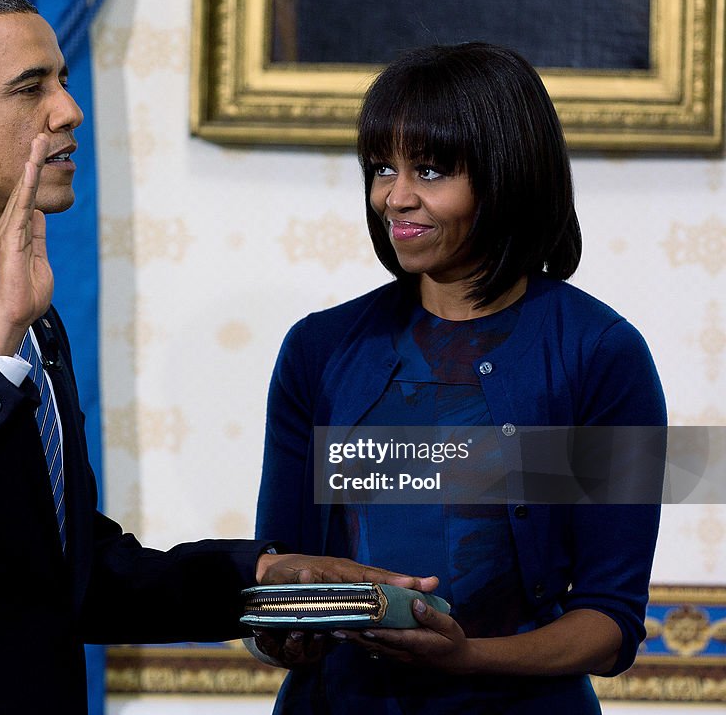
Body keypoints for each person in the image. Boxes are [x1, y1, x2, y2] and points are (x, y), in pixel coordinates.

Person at [0, 0, 429, 715]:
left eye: (64, 81)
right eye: (31, 88)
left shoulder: (22, 309)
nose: (68, 111)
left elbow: (71, 576)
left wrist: (263, 576)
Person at [254, 43, 665, 713]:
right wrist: (281, 630)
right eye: (382, 167)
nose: (396, 196)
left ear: (507, 175)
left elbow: (610, 621)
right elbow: (279, 568)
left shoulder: (601, 354)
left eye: (431, 168)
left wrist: (466, 655)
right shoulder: (319, 348)